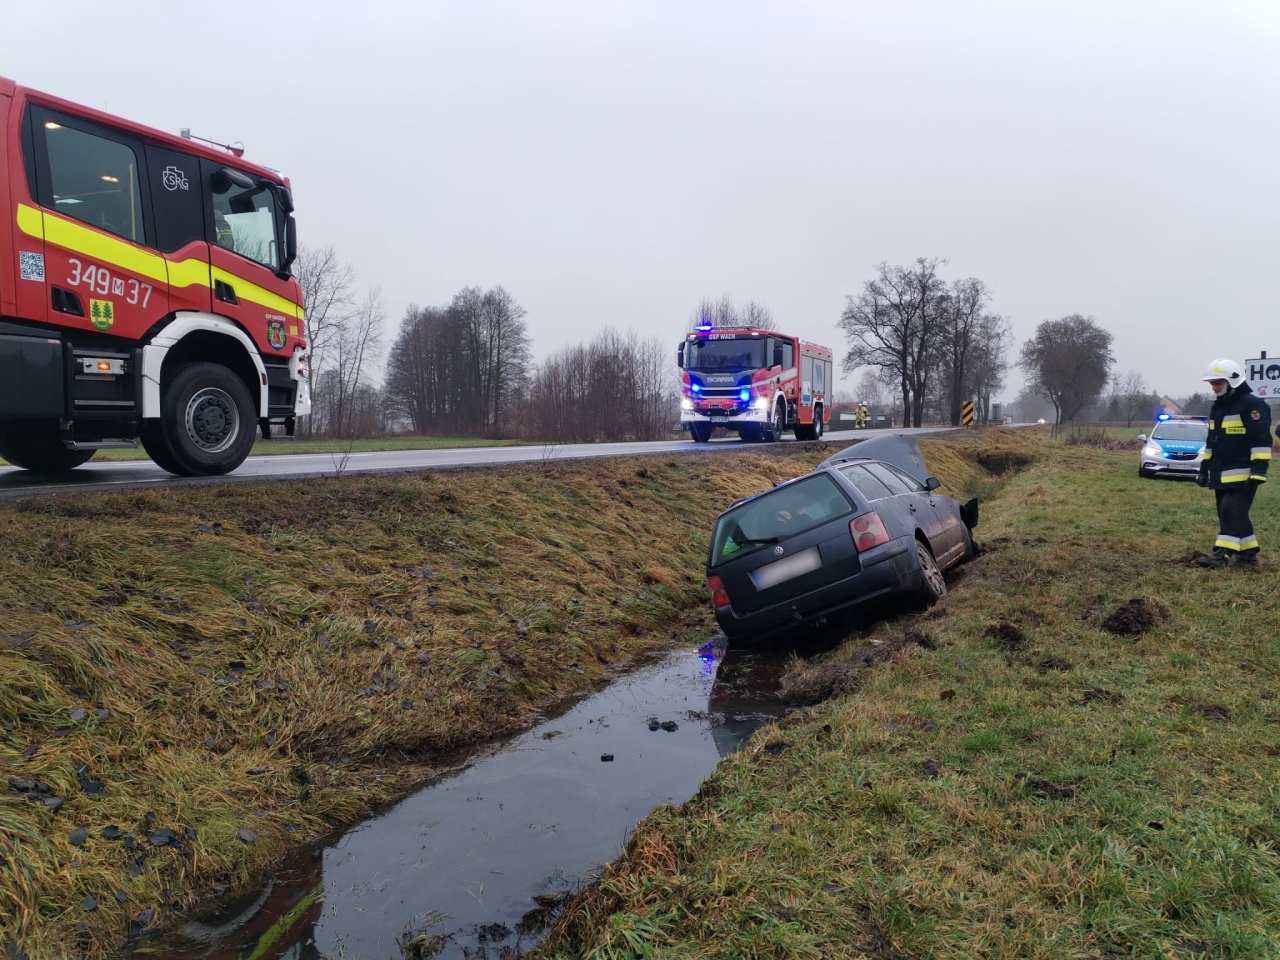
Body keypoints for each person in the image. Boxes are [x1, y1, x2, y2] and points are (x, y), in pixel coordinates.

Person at [1195, 358, 1271, 568]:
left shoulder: (1252, 405)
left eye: (1218, 382)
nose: (1214, 387)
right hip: (1221, 473)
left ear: (1233, 381)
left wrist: (1258, 470)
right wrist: (1204, 470)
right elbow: (1212, 442)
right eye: (1212, 383)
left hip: (1245, 474)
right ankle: (1248, 558)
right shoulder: (1218, 408)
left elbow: (1262, 440)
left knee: (1231, 513)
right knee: (1232, 515)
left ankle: (1220, 557)